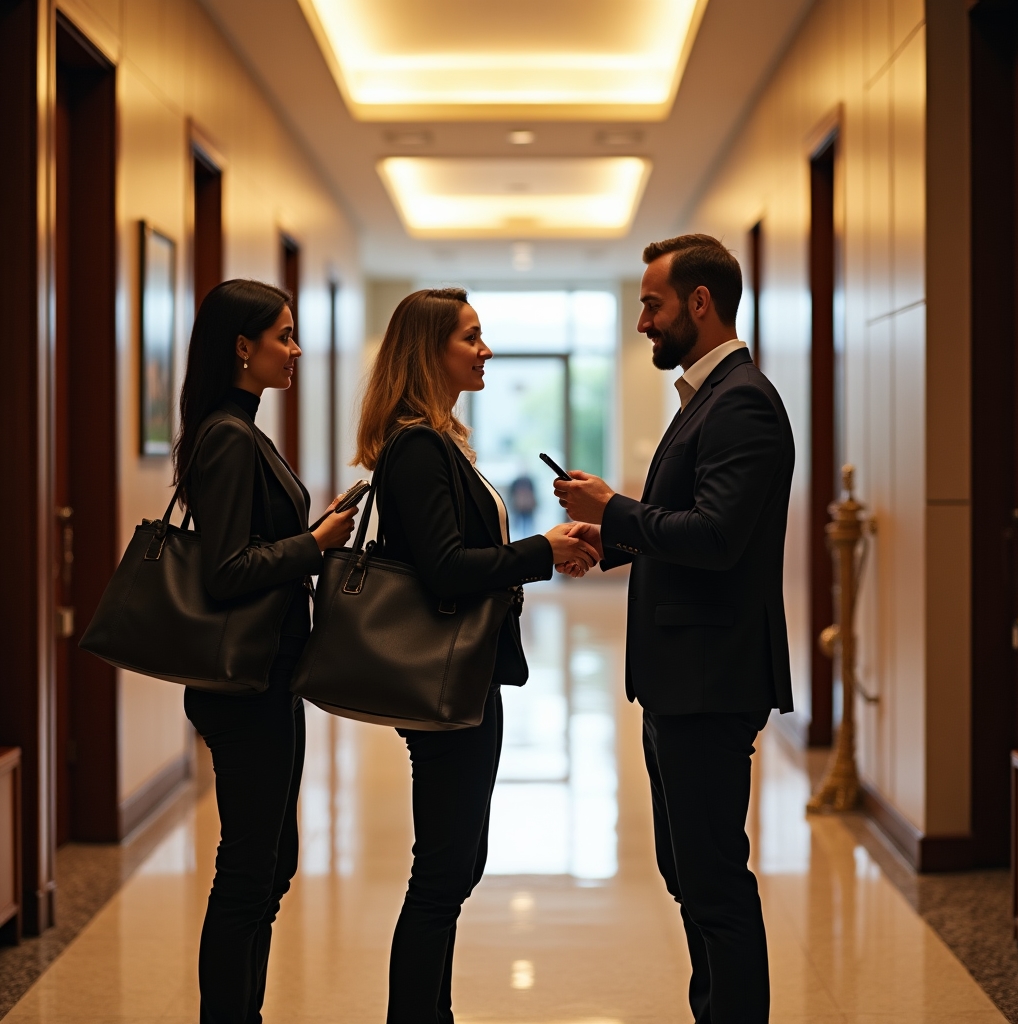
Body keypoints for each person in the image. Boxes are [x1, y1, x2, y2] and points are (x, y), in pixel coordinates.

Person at [554, 235, 795, 1024]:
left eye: (652, 305)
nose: (641, 323)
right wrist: (612, 542)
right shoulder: (708, 396)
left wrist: (612, 509)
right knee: (688, 873)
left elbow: (719, 538)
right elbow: (689, 525)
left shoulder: (742, 401)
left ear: (699, 303)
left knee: (715, 881)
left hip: (710, 679)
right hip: (683, 679)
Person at [353, 287, 598, 1024]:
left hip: (464, 679)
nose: (485, 349)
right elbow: (445, 569)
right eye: (471, 336)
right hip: (444, 686)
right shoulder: (418, 446)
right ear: (430, 351)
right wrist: (540, 552)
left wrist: (550, 553)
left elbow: (463, 557)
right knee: (442, 874)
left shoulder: (436, 440)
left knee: (453, 868)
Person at [173, 279, 356, 1024]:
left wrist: (314, 535)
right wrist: (313, 544)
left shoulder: (242, 428)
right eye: (284, 335)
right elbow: (225, 570)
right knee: (250, 870)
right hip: (245, 686)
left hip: (271, 678)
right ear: (243, 347)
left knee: (270, 863)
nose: (296, 349)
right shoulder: (226, 434)